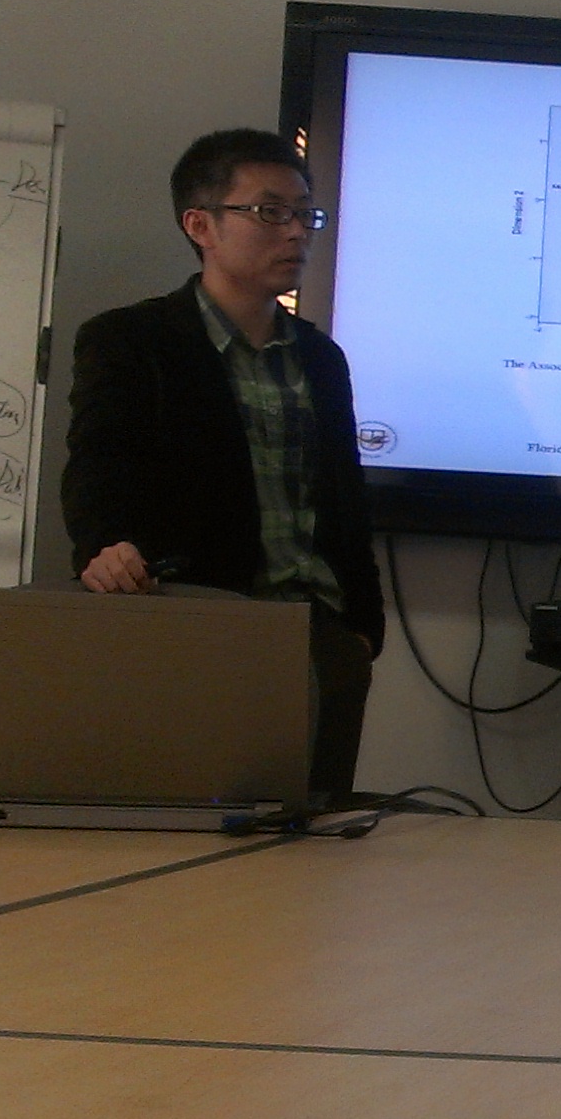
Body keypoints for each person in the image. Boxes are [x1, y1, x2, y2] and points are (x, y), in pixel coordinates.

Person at [61, 128, 382, 797]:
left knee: (314, 838)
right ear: (200, 225)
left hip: (319, 641)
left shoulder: (321, 358)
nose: (294, 232)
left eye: (305, 214)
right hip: (197, 629)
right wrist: (103, 546)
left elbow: (346, 502)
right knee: (189, 833)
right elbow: (98, 462)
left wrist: (361, 634)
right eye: (270, 212)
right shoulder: (132, 340)